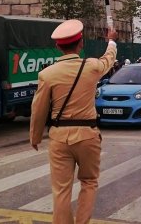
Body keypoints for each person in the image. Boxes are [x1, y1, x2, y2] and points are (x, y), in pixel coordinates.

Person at [29, 20, 117, 224]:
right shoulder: (93, 67)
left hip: (59, 138)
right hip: (87, 135)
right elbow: (108, 59)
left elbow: (39, 108)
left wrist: (35, 137)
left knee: (61, 190)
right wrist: (111, 41)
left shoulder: (47, 74)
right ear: (81, 43)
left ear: (58, 46)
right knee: (89, 182)